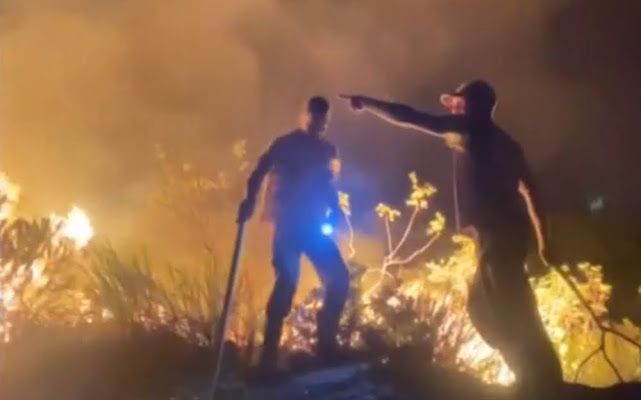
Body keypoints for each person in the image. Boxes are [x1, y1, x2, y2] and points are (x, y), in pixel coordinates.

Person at [340, 82, 562, 397]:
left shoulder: (471, 131)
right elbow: (532, 192)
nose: (454, 110)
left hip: (497, 237)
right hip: (506, 236)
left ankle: (542, 381)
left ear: (476, 107)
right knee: (492, 305)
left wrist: (366, 101)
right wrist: (544, 241)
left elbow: (410, 116)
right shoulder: (508, 144)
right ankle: (535, 376)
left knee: (506, 308)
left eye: (460, 104)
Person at [238, 96, 349, 372]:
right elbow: (259, 170)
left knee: (339, 278)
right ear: (304, 115)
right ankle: (268, 359)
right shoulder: (285, 144)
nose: (318, 123)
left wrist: (335, 210)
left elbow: (325, 184)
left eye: (323, 119)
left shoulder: (326, 150)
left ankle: (325, 345)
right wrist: (250, 201)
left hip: (312, 226)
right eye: (314, 116)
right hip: (288, 224)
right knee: (287, 281)